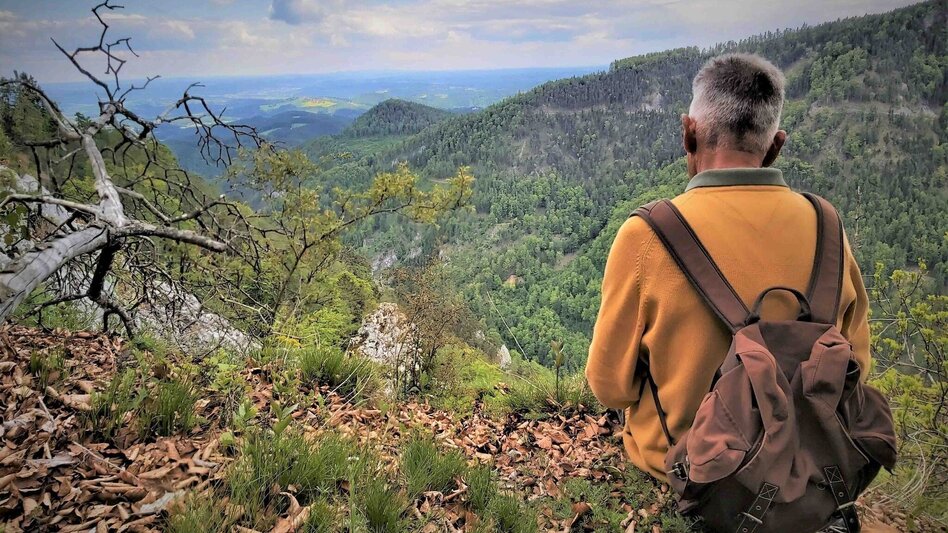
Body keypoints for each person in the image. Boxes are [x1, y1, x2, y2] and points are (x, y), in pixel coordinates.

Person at [585, 53, 872, 483]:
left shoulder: (646, 235)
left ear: (688, 134)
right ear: (776, 146)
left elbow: (610, 387)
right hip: (801, 481)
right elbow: (857, 369)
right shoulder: (829, 229)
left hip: (683, 478)